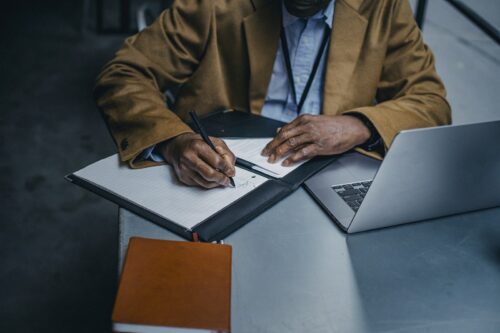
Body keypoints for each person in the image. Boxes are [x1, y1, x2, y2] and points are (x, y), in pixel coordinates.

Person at [95, 0, 451, 189]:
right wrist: (174, 143)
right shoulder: (214, 3)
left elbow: (431, 102)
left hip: (328, 173)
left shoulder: (382, 6)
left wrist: (358, 125)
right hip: (222, 175)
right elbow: (124, 75)